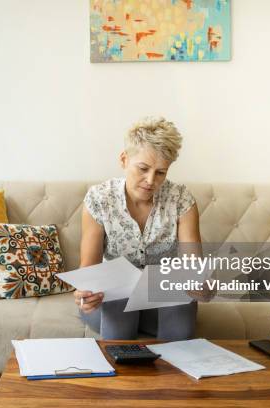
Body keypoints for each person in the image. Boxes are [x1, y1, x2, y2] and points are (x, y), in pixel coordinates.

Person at [75, 116, 207, 341]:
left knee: (179, 302)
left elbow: (191, 268)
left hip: (160, 303)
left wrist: (200, 284)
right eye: (143, 168)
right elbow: (88, 272)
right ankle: (124, 372)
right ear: (124, 159)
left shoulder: (181, 200)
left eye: (160, 172)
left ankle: (176, 372)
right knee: (120, 299)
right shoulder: (99, 199)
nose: (150, 180)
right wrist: (85, 294)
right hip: (112, 302)